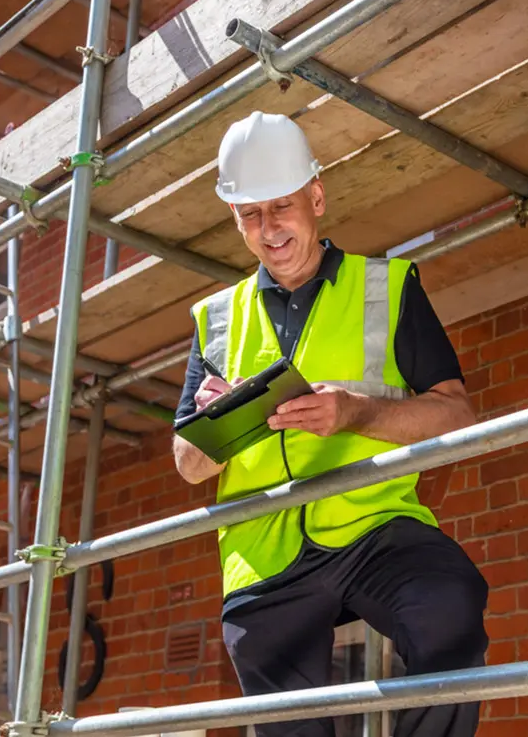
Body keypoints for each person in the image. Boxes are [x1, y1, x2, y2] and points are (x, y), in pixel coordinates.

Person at [172, 111, 489, 736]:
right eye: (249, 215)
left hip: (374, 526)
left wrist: (357, 411)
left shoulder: (388, 287)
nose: (269, 229)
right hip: (264, 556)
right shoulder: (215, 318)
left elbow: (457, 413)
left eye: (281, 206)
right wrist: (216, 422)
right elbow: (188, 467)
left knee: (449, 604)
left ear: (316, 197)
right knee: (281, 707)